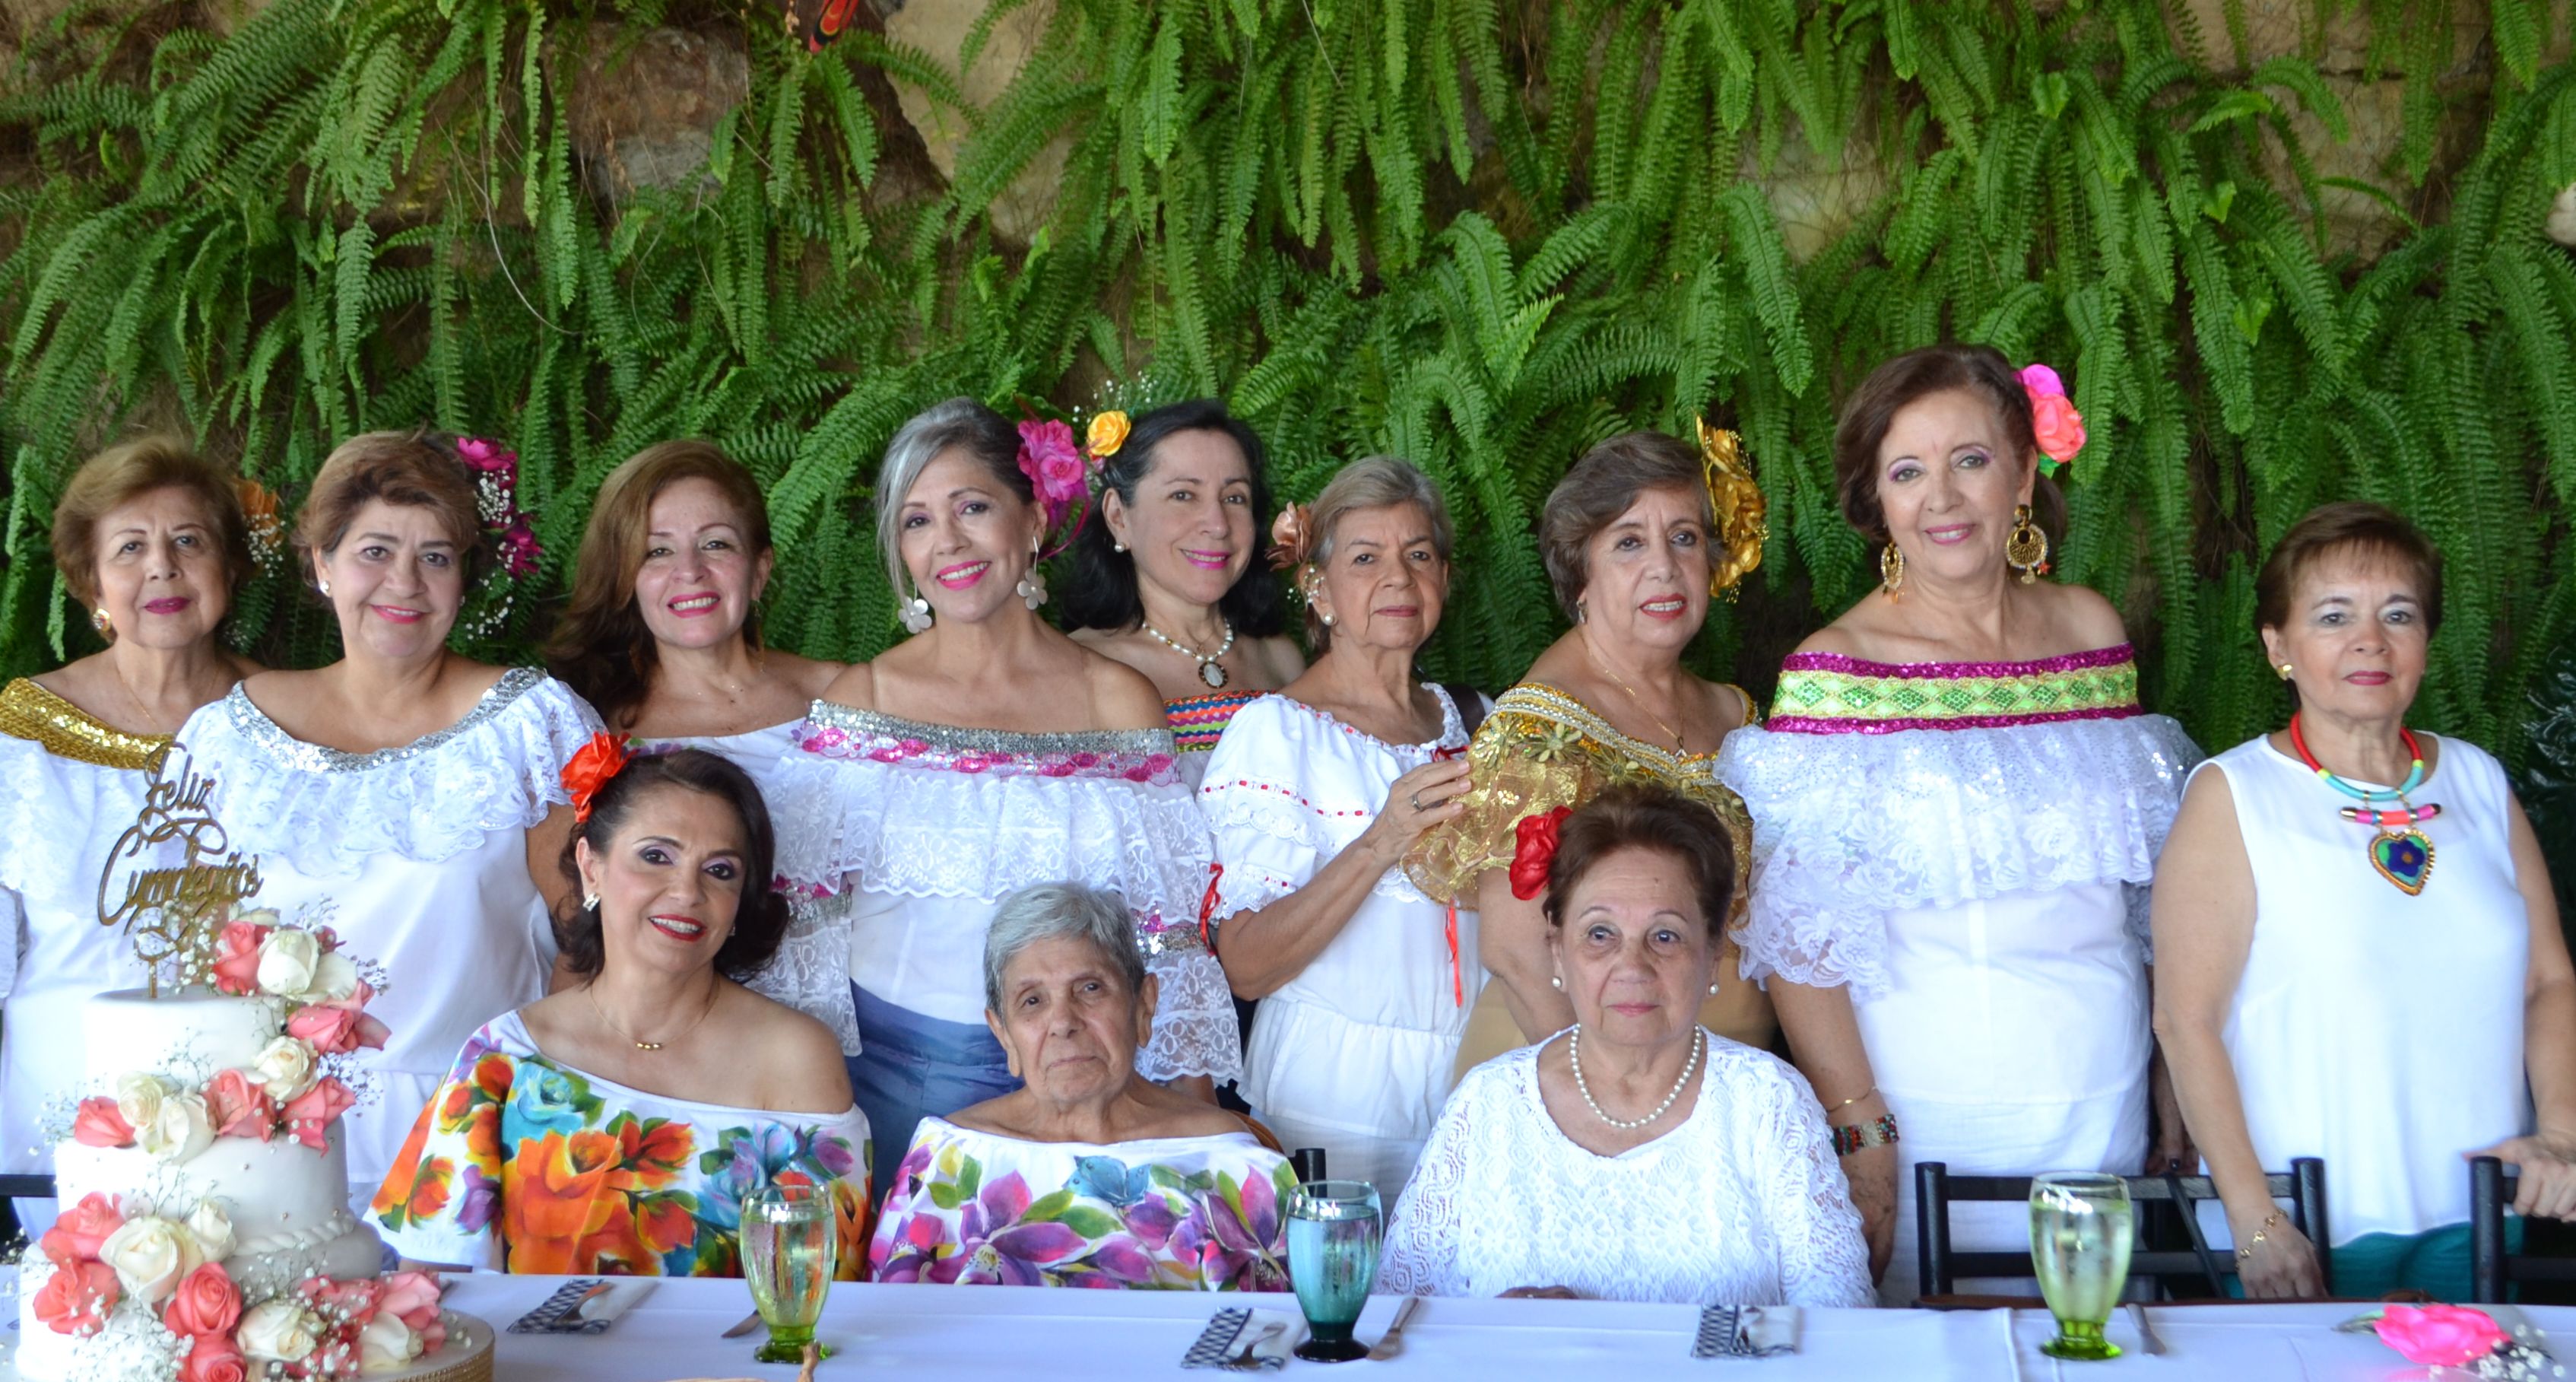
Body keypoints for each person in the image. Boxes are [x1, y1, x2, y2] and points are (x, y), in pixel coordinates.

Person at [1716, 345, 2197, 1304]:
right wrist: (1859, 1124)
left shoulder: (2091, 633)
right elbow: (1802, 936)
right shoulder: (1836, 669)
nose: (1942, 496)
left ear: (2023, 472)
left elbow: (2154, 895)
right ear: (1879, 505)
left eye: (1969, 460)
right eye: (1907, 472)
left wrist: (2173, 1068)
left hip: (2102, 1092)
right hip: (1931, 1110)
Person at [773, 399, 1235, 1192]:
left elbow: (1168, 934)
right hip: (891, 1091)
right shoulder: (866, 700)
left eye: (972, 508)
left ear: (1032, 522)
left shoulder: (1115, 702)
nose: (945, 541)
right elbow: (800, 948)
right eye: (915, 521)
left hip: (1090, 1085)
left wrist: (1188, 1126)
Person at [2154, 503, 2575, 1300]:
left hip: (2481, 1213)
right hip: (2308, 1228)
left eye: (2398, 614)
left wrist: (2562, 1132)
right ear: (2278, 645)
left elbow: (2546, 979)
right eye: (2333, 615)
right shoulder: (2233, 794)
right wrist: (2253, 1217)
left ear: (2425, 639)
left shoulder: (2478, 781)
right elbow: (2185, 1018)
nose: (2369, 640)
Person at [176, 430, 601, 1189]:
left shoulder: (532, 724)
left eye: (435, 556)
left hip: (482, 1128)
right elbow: (193, 951)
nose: (404, 582)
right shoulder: (228, 734)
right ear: (321, 563)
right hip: (272, 1138)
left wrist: (543, 1107)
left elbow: (591, 935)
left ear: (463, 579)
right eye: (375, 550)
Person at [373, 745, 869, 1276]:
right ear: (592, 867)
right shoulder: (505, 1058)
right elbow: (427, 1285)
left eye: (719, 870)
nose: (687, 891)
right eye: (656, 856)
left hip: (734, 1362)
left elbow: (829, 1293)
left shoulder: (796, 1057)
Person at [1381, 787, 1870, 1305]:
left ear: (1710, 955)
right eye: (1599, 933)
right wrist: (1497, 1328)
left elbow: (1841, 1326)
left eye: (1665, 935)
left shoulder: (1768, 1101)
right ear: (1558, 953)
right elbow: (1398, 1321)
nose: (1632, 966)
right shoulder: (1487, 1104)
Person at [1407, 427, 1775, 1069]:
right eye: (1629, 542)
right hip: (1576, 1081)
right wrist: (1610, 1098)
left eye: (1684, 537)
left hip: (1727, 1076)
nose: (1664, 566)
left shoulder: (1737, 712)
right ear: (1581, 575)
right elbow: (1519, 955)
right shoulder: (1540, 732)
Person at [1199, 457, 1485, 1193]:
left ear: (1446, 580)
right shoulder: (1275, 734)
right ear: (1318, 589)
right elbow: (1246, 963)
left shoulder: (1482, 720)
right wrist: (1382, 841)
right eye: (1366, 558)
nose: (1399, 577)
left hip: (1478, 1090)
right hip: (1332, 1106)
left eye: (1419, 555)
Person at [2, 440, 258, 1228]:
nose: (163, 567)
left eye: (189, 540)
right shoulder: (20, 737)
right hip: (65, 1129)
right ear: (90, 581)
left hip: (252, 1124)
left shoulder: (291, 723)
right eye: (131, 547)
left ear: (230, 567)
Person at [547, 441, 853, 1053]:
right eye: (657, 551)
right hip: (675, 1044)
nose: (690, 571)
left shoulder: (846, 698)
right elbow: (580, 930)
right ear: (624, 577)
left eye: (716, 544)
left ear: (759, 568)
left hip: (850, 1029)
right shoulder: (589, 732)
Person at [869, 883, 1293, 1289]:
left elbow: (1282, 1336)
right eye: (1032, 1000)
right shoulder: (950, 1159)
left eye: (1090, 988)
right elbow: (894, 1335)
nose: (1063, 1023)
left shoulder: (1228, 1162)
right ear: (1003, 1034)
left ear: (1144, 1006)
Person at [1062, 400, 1304, 789]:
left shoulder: (1281, 659)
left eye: (1235, 498)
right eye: (1183, 495)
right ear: (1118, 517)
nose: (1217, 524)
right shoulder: (1075, 667)